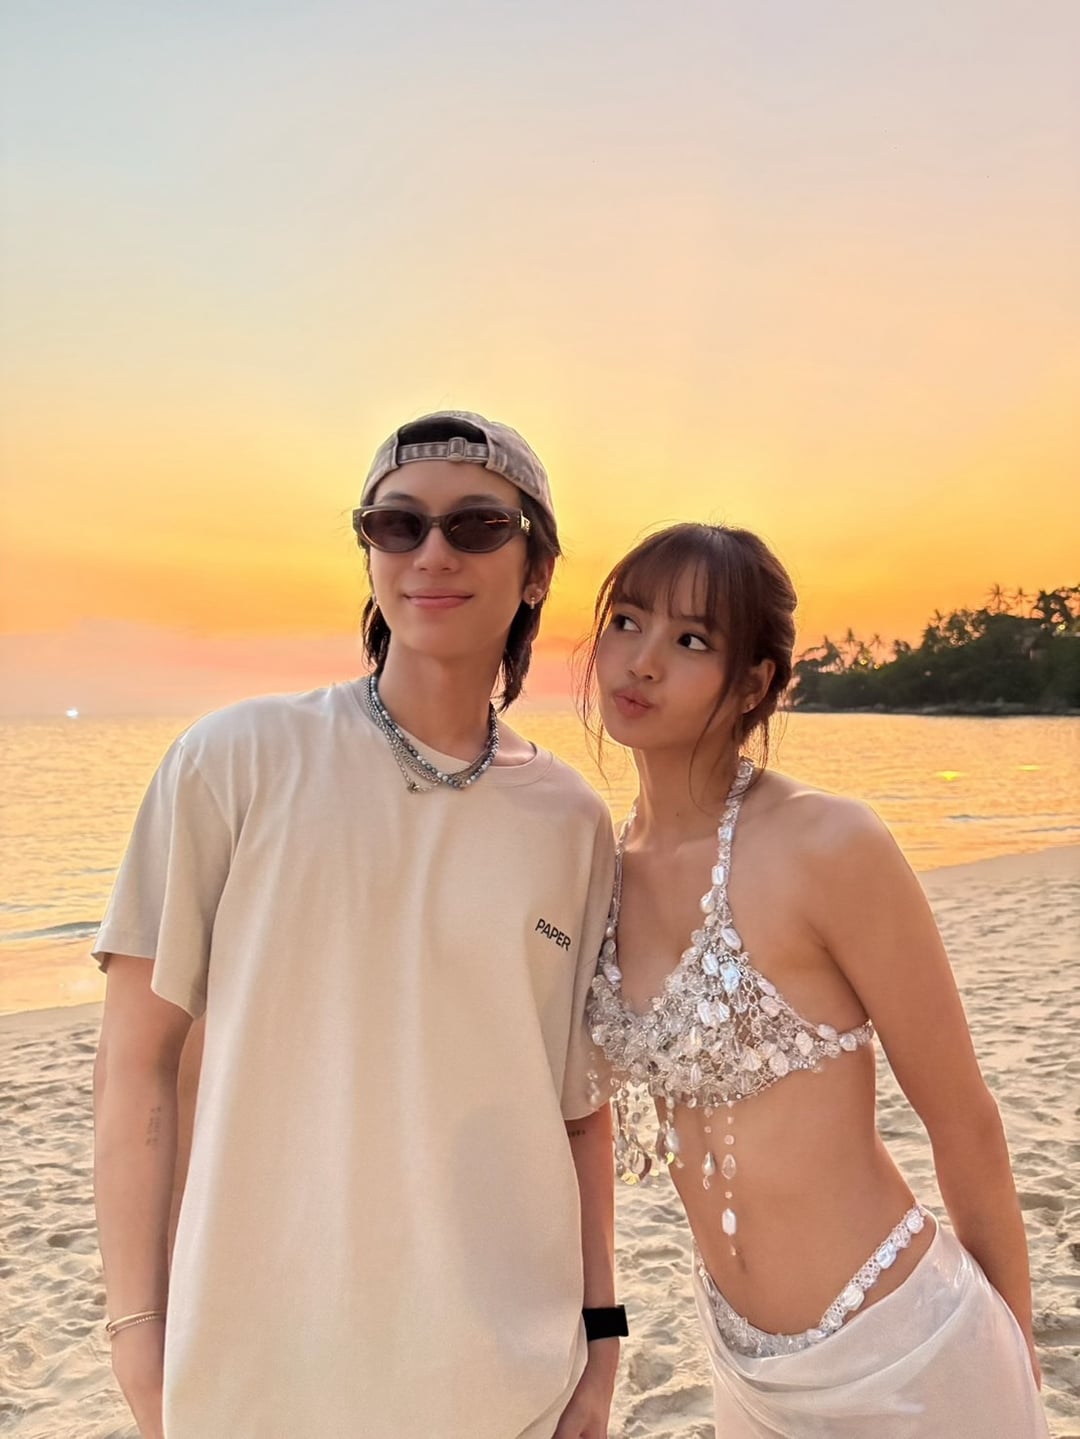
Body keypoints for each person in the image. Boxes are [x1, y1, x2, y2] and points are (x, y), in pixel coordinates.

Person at [92, 410, 622, 1439]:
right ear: (369, 549)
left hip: (509, 1375)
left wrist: (601, 1346)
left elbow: (576, 1110)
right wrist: (137, 1328)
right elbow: (136, 1059)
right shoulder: (234, 760)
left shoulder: (572, 819)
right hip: (262, 1372)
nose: (433, 552)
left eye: (478, 525)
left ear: (538, 569)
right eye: (397, 523)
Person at [580, 522, 1049, 1437]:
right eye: (627, 621)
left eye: (691, 639)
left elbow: (965, 1120)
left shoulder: (830, 844)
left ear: (754, 682)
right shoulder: (601, 869)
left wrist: (1016, 1344)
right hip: (744, 1370)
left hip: (907, 1352)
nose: (642, 661)